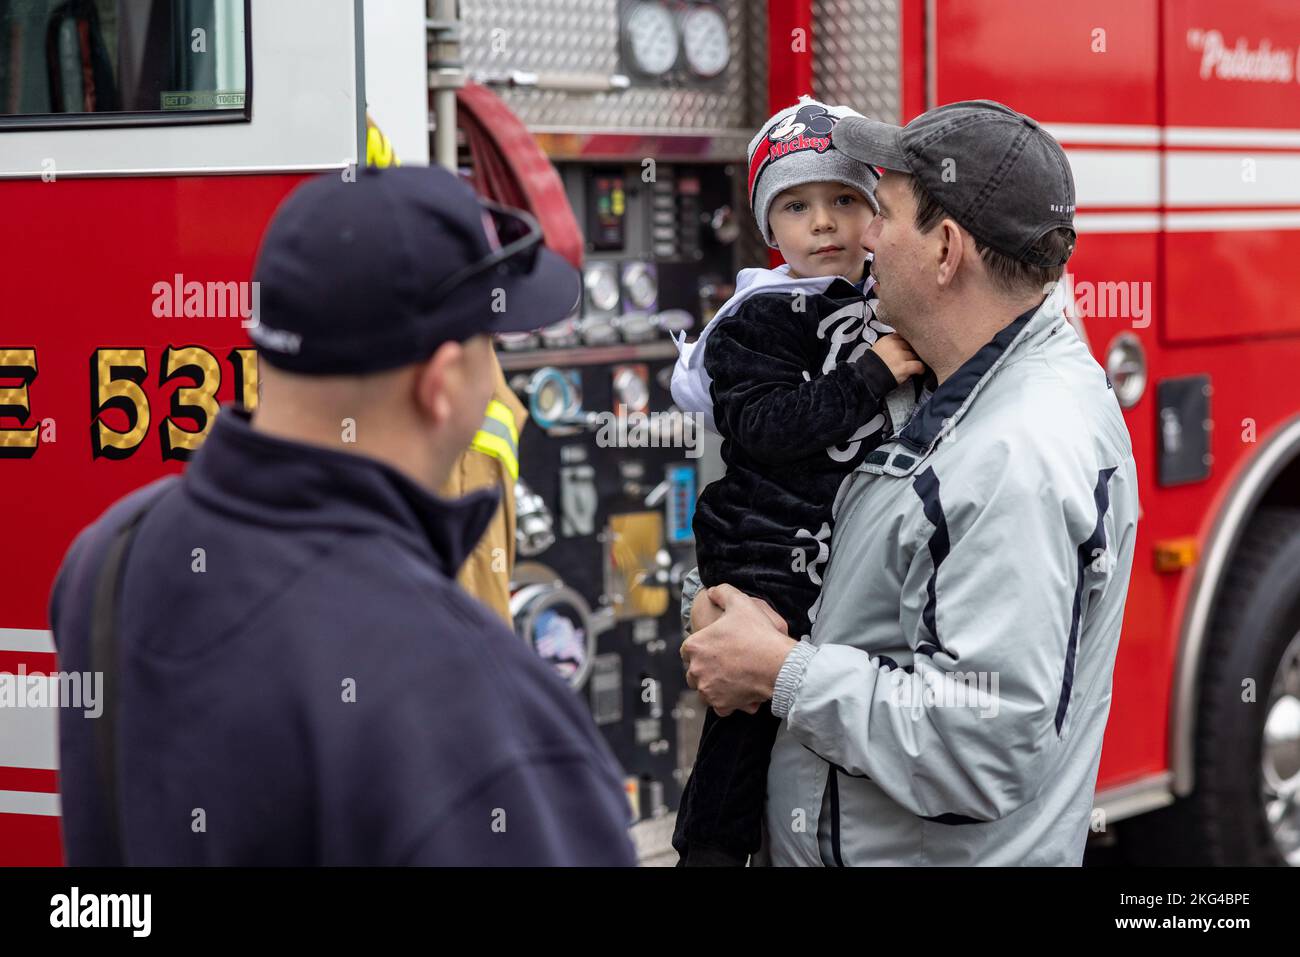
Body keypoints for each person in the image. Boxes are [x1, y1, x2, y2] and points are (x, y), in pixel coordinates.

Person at [49, 165, 637, 866]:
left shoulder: (108, 556)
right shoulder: (487, 710)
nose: (498, 388)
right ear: (443, 382)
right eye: (493, 349)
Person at [679, 100, 1140, 865]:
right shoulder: (946, 372)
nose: (859, 236)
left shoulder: (1012, 458)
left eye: (880, 211)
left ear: (947, 250)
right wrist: (728, 605)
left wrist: (778, 669)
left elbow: (977, 744)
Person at [668, 97, 923, 866]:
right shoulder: (755, 319)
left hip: (845, 557)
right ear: (766, 228)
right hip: (765, 554)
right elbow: (769, 427)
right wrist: (867, 378)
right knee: (742, 727)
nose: (825, 223)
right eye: (797, 205)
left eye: (846, 199)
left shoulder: (891, 299)